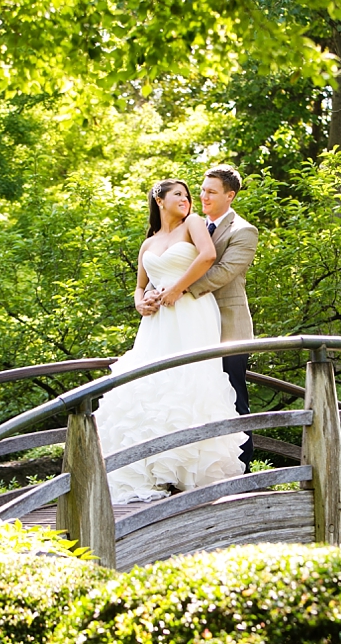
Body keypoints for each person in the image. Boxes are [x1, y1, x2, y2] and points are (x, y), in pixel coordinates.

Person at [94, 179, 247, 504]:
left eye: (189, 195)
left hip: (190, 311)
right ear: (159, 200)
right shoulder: (149, 242)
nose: (187, 199)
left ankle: (189, 473)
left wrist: (178, 288)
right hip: (157, 322)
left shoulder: (193, 224)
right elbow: (140, 285)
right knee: (150, 384)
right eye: (178, 194)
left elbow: (206, 257)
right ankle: (153, 471)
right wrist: (140, 302)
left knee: (188, 381)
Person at [140, 165, 258, 471]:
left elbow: (223, 272)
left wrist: (179, 290)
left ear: (229, 196)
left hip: (228, 328)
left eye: (211, 191)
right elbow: (167, 267)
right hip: (184, 327)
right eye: (202, 190)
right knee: (187, 395)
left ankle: (240, 469)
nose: (202, 196)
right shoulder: (186, 226)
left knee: (232, 396)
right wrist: (153, 294)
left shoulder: (242, 231)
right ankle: (188, 466)